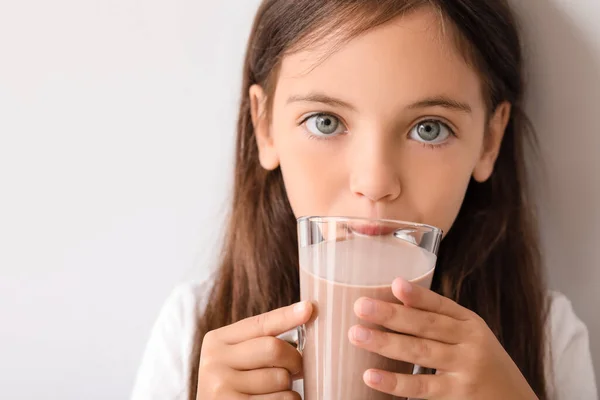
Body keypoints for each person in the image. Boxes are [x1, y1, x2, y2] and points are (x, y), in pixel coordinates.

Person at [131, 1, 598, 399]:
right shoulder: (192, 332)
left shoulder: (547, 340)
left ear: (490, 140)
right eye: (326, 122)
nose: (375, 182)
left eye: (428, 128)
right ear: (264, 124)